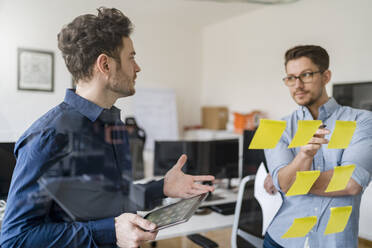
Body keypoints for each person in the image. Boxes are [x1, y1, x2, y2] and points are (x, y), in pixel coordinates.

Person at [0, 7, 215, 248]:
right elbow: (15, 239)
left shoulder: (113, 124)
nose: (137, 67)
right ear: (105, 65)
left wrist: (162, 187)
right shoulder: (49, 136)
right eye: (131, 57)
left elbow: (112, 198)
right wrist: (109, 231)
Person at [264, 45, 372, 248]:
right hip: (280, 240)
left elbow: (351, 183)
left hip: (334, 242)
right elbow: (283, 182)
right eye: (290, 78)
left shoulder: (363, 120)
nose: (297, 85)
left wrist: (291, 180)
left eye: (306, 75)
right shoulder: (272, 128)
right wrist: (303, 156)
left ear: (326, 76)